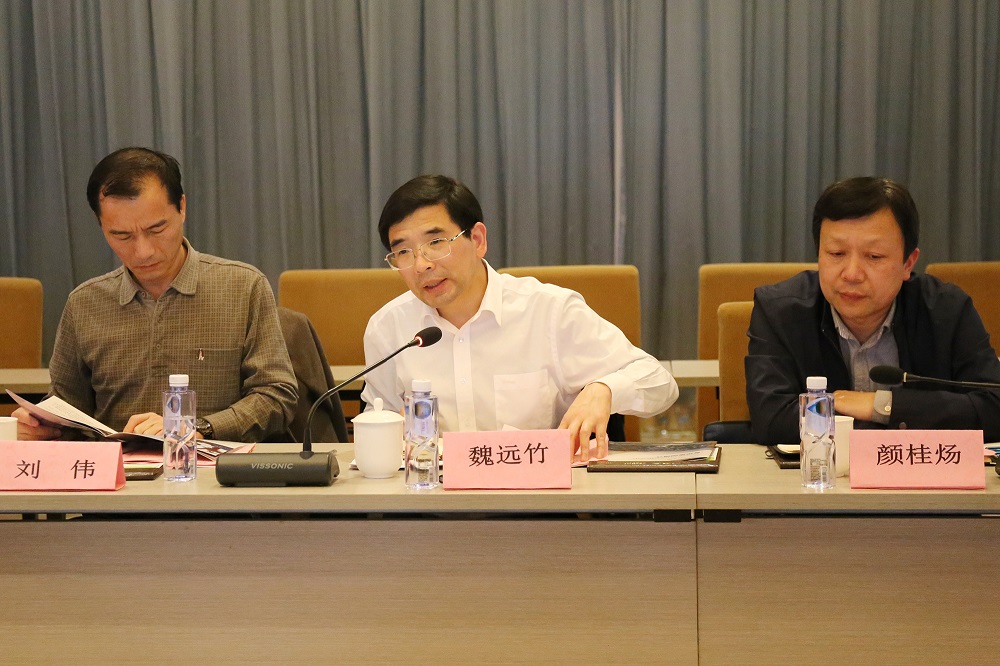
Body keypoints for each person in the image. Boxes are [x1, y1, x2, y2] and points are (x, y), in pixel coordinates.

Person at [362, 174, 678, 462]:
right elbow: (380, 424)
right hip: (432, 500)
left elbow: (659, 382)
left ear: (477, 240)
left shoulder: (549, 312)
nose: (421, 265)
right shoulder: (388, 329)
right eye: (403, 252)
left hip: (540, 500)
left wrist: (604, 389)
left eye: (435, 243)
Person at [13, 147, 297, 442]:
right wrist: (42, 426)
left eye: (156, 229)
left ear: (181, 208)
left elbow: (276, 395)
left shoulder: (243, 287)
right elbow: (66, 408)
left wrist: (198, 428)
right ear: (101, 225)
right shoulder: (85, 303)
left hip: (214, 465)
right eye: (122, 235)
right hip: (118, 468)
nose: (143, 251)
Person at [747, 176, 1000, 444]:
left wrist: (881, 405)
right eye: (836, 253)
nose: (852, 274)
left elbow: (994, 406)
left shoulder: (946, 311)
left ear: (908, 263)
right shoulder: (779, 312)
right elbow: (771, 419)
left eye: (874, 256)